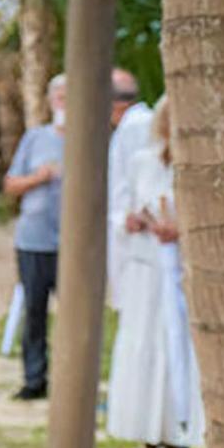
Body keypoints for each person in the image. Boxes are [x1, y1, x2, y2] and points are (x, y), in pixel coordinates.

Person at [105, 100, 203, 448]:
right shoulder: (144, 161)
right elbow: (124, 205)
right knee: (141, 355)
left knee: (173, 355)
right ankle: (148, 437)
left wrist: (181, 232)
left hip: (177, 274)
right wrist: (130, 221)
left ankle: (176, 444)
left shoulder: (196, 168)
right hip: (145, 270)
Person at [1, 75, 67, 402]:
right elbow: (11, 184)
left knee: (73, 315)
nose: (64, 102)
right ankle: (34, 379)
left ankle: (73, 381)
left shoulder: (91, 139)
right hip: (34, 240)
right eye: (59, 97)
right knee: (34, 311)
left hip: (73, 246)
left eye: (70, 96)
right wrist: (39, 178)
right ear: (51, 101)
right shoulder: (35, 138)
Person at [104, 69, 153, 315]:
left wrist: (135, 215)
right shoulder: (126, 127)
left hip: (138, 232)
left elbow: (145, 179)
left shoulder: (137, 126)